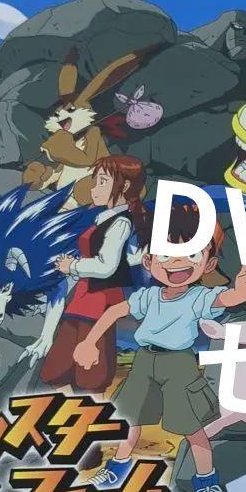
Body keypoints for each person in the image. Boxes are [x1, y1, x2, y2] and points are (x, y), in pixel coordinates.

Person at [73, 201, 246, 492]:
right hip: (144, 362)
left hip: (179, 365)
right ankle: (118, 468)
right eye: (165, 254)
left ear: (209, 263)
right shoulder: (149, 297)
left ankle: (207, 488)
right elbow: (114, 312)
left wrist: (242, 291)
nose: (177, 262)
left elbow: (226, 299)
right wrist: (89, 342)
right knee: (130, 420)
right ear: (149, 261)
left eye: (191, 254)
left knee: (194, 429)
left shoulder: (198, 297)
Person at [40, 155, 149, 393]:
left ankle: (86, 406)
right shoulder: (104, 218)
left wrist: (73, 266)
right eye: (95, 181)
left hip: (100, 298)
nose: (94, 188)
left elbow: (107, 265)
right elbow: (120, 259)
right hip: (85, 294)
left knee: (88, 369)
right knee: (60, 365)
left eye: (102, 182)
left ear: (125, 186)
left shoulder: (120, 223)